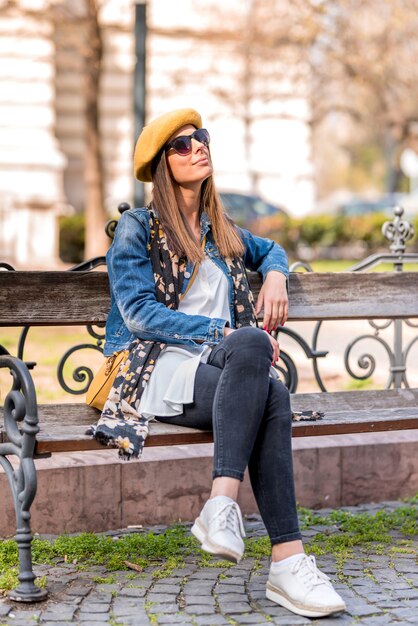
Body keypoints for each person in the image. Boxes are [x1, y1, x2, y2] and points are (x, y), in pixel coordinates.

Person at [95, 108, 346, 619]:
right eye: (182, 145)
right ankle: (283, 558)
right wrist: (221, 333)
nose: (198, 148)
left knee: (264, 377)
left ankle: (234, 517)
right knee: (260, 364)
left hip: (222, 372)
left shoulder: (220, 229)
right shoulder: (137, 228)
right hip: (155, 369)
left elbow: (271, 250)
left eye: (201, 139)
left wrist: (275, 277)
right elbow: (139, 314)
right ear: (163, 165)